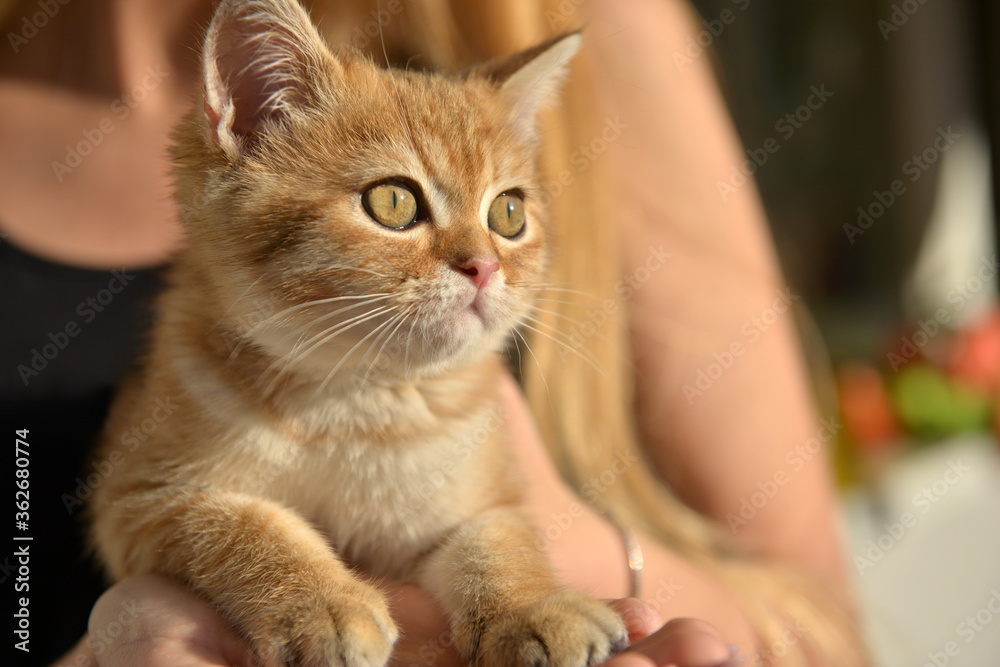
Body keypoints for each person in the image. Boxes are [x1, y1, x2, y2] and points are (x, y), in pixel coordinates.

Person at [0, 0, 866, 665]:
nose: (479, 259)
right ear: (251, 125)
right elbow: (148, 504)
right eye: (396, 203)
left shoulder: (580, 19)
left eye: (508, 212)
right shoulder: (196, 370)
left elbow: (825, 629)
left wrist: (585, 568)